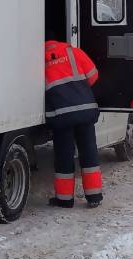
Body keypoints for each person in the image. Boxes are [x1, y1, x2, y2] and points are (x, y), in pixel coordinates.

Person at [44, 40, 103, 208]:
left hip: (61, 116)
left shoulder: (38, 59)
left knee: (64, 157)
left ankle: (64, 199)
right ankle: (94, 197)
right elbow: (93, 75)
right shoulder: (74, 52)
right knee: (89, 153)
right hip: (85, 111)